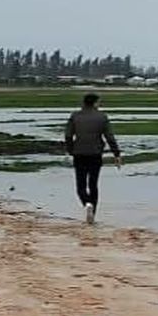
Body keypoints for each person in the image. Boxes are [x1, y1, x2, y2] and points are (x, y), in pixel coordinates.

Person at [64, 92, 121, 224]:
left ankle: (86, 203)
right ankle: (93, 213)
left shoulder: (75, 116)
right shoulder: (102, 117)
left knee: (81, 185)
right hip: (95, 153)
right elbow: (109, 137)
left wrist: (70, 150)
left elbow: (68, 135)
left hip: (79, 153)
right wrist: (116, 153)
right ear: (95, 103)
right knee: (93, 184)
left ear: (84, 103)